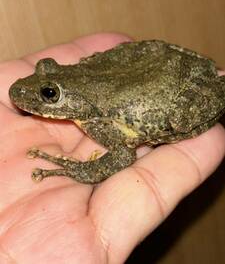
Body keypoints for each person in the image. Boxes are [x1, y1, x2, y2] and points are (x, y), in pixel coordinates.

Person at [0, 33, 224, 263]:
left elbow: (124, 154)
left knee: (179, 120)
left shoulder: (96, 122)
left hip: (177, 85)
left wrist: (84, 171)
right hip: (170, 63)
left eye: (49, 94)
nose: (23, 89)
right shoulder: (88, 104)